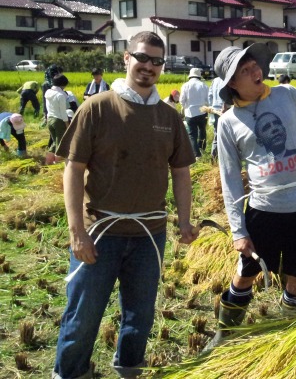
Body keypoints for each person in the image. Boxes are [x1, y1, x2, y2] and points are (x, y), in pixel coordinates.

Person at [52, 31, 198, 379]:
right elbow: (73, 170)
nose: (148, 66)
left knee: (141, 313)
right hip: (101, 233)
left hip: (150, 234)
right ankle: (70, 373)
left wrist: (185, 220)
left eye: (156, 61)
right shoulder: (98, 107)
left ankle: (128, 369)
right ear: (126, 58)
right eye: (142, 57)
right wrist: (77, 232)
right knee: (84, 313)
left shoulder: (169, 116)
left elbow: (180, 172)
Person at [210, 43, 296, 349]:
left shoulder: (286, 94)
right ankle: (224, 334)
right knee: (246, 274)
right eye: (245, 70)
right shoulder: (228, 123)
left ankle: (283, 331)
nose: (256, 72)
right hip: (264, 211)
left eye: (255, 65)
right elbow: (229, 178)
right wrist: (238, 231)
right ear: (232, 84)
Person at [180, 68, 209, 158]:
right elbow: (208, 100)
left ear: (190, 76)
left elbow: (181, 100)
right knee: (202, 130)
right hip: (202, 112)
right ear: (199, 76)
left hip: (190, 113)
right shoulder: (203, 85)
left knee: (192, 135)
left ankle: (197, 155)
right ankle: (201, 148)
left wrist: (185, 107)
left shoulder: (185, 85)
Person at [44, 74, 70, 165]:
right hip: (58, 121)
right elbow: (63, 112)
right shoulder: (60, 95)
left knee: (55, 141)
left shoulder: (47, 92)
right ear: (62, 84)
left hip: (50, 119)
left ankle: (48, 162)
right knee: (61, 144)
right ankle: (57, 164)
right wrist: (67, 124)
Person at [208, 75, 226, 160]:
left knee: (217, 134)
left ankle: (214, 157)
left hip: (215, 111)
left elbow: (210, 95)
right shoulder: (227, 80)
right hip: (225, 111)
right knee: (227, 136)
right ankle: (224, 158)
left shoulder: (214, 80)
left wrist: (212, 107)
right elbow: (225, 97)